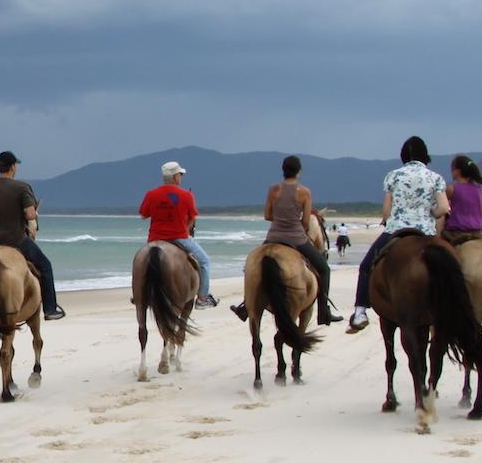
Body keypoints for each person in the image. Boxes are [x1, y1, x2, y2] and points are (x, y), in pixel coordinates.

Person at [345, 136, 448, 333]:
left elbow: (386, 212)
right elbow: (443, 208)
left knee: (366, 266)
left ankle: (360, 313)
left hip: (396, 230)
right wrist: (429, 214)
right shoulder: (435, 177)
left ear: (403, 156)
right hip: (426, 232)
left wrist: (391, 216)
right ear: (425, 155)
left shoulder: (393, 176)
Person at [233, 155, 339, 324]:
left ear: (283, 171)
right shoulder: (304, 192)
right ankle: (323, 312)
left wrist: (280, 219)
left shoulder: (273, 190)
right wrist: (293, 222)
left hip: (273, 236)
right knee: (324, 269)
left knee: (252, 267)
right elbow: (305, 222)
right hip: (296, 238)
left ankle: (246, 306)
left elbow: (267, 215)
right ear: (299, 172)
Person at [0, 150, 63, 320]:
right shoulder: (22, 187)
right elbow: (31, 215)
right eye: (15, 165)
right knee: (46, 266)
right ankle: (50, 309)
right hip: (16, 241)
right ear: (12, 167)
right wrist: (31, 213)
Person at [138, 160, 218, 309]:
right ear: (175, 177)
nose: (181, 177)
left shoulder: (151, 194)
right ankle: (202, 298)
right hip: (180, 237)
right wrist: (185, 229)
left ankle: (140, 293)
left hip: (155, 238)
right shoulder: (186, 195)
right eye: (180, 175)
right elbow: (192, 217)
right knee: (205, 261)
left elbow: (143, 215)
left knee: (142, 263)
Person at [442, 154, 482, 247]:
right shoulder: (479, 190)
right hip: (478, 233)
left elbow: (442, 208)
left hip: (456, 233)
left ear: (457, 171)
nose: (451, 171)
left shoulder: (451, 189)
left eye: (452, 169)